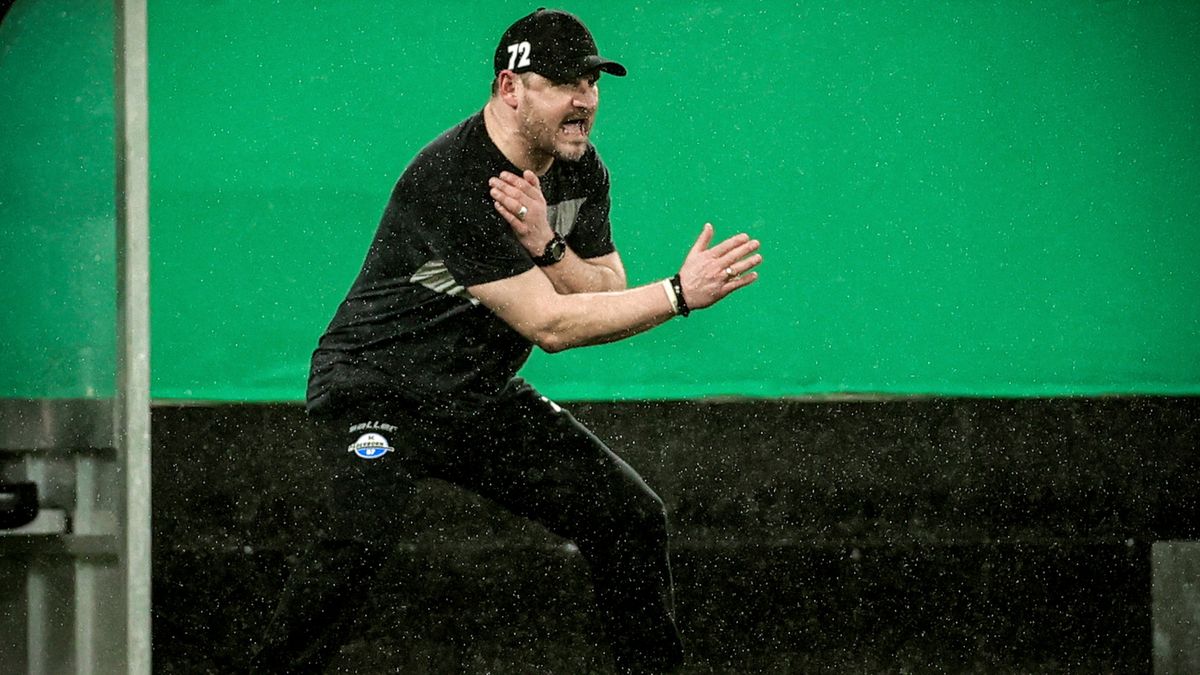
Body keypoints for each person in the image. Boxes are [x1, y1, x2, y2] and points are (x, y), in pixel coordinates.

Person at [250, 8, 762, 674]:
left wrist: (546, 243)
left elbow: (603, 285)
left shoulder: (579, 169)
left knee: (630, 517)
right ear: (509, 88)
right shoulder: (456, 176)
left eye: (591, 82)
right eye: (563, 83)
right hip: (377, 387)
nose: (584, 101)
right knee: (358, 537)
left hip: (476, 394)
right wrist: (679, 294)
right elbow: (551, 326)